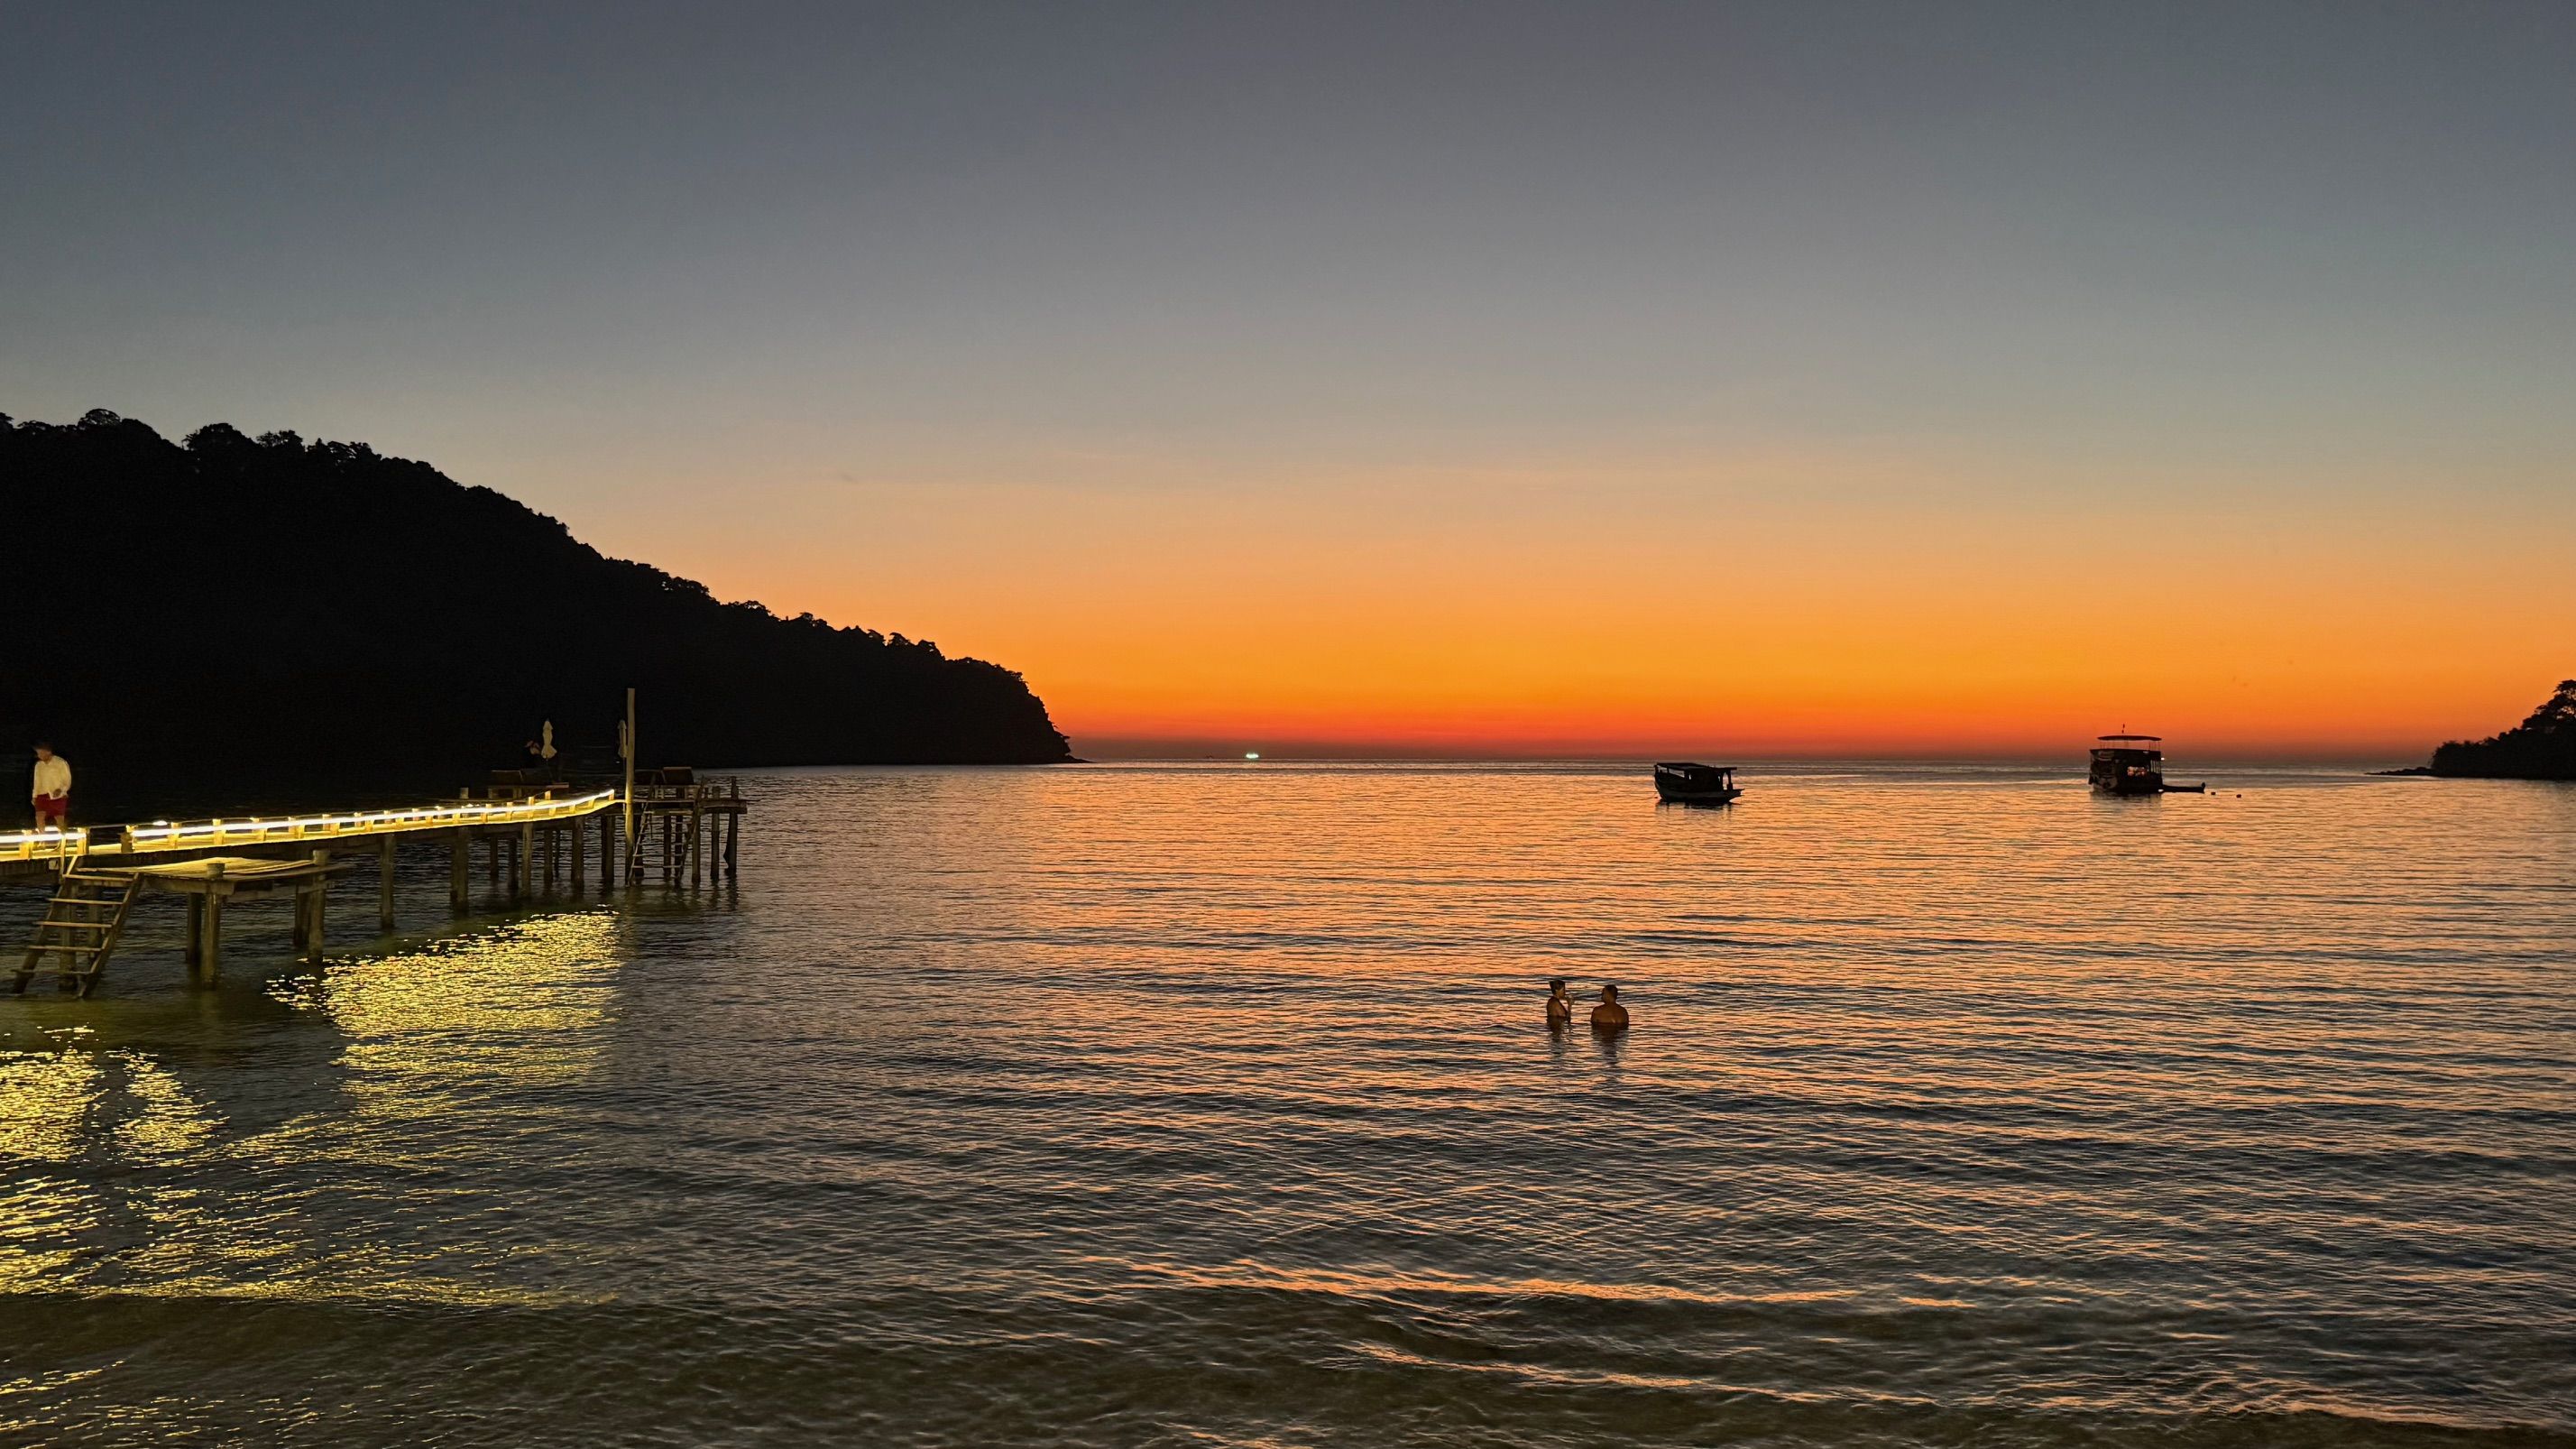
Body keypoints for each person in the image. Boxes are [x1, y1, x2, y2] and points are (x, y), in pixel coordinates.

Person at [29, 742, 71, 828]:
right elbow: (37, 782)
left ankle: (62, 838)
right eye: (38, 753)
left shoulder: (60, 763)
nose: (39, 756)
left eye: (40, 753)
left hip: (58, 795)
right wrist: (34, 796)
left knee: (59, 820)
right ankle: (42, 838)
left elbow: (67, 780)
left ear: (48, 752)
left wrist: (61, 790)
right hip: (42, 794)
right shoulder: (39, 765)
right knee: (39, 817)